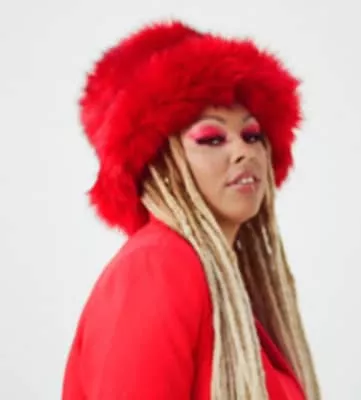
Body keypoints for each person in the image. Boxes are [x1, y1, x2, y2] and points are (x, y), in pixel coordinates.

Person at [62, 20, 321, 400]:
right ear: (160, 163)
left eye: (252, 135)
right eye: (211, 138)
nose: (244, 151)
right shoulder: (156, 266)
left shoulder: (220, 281)